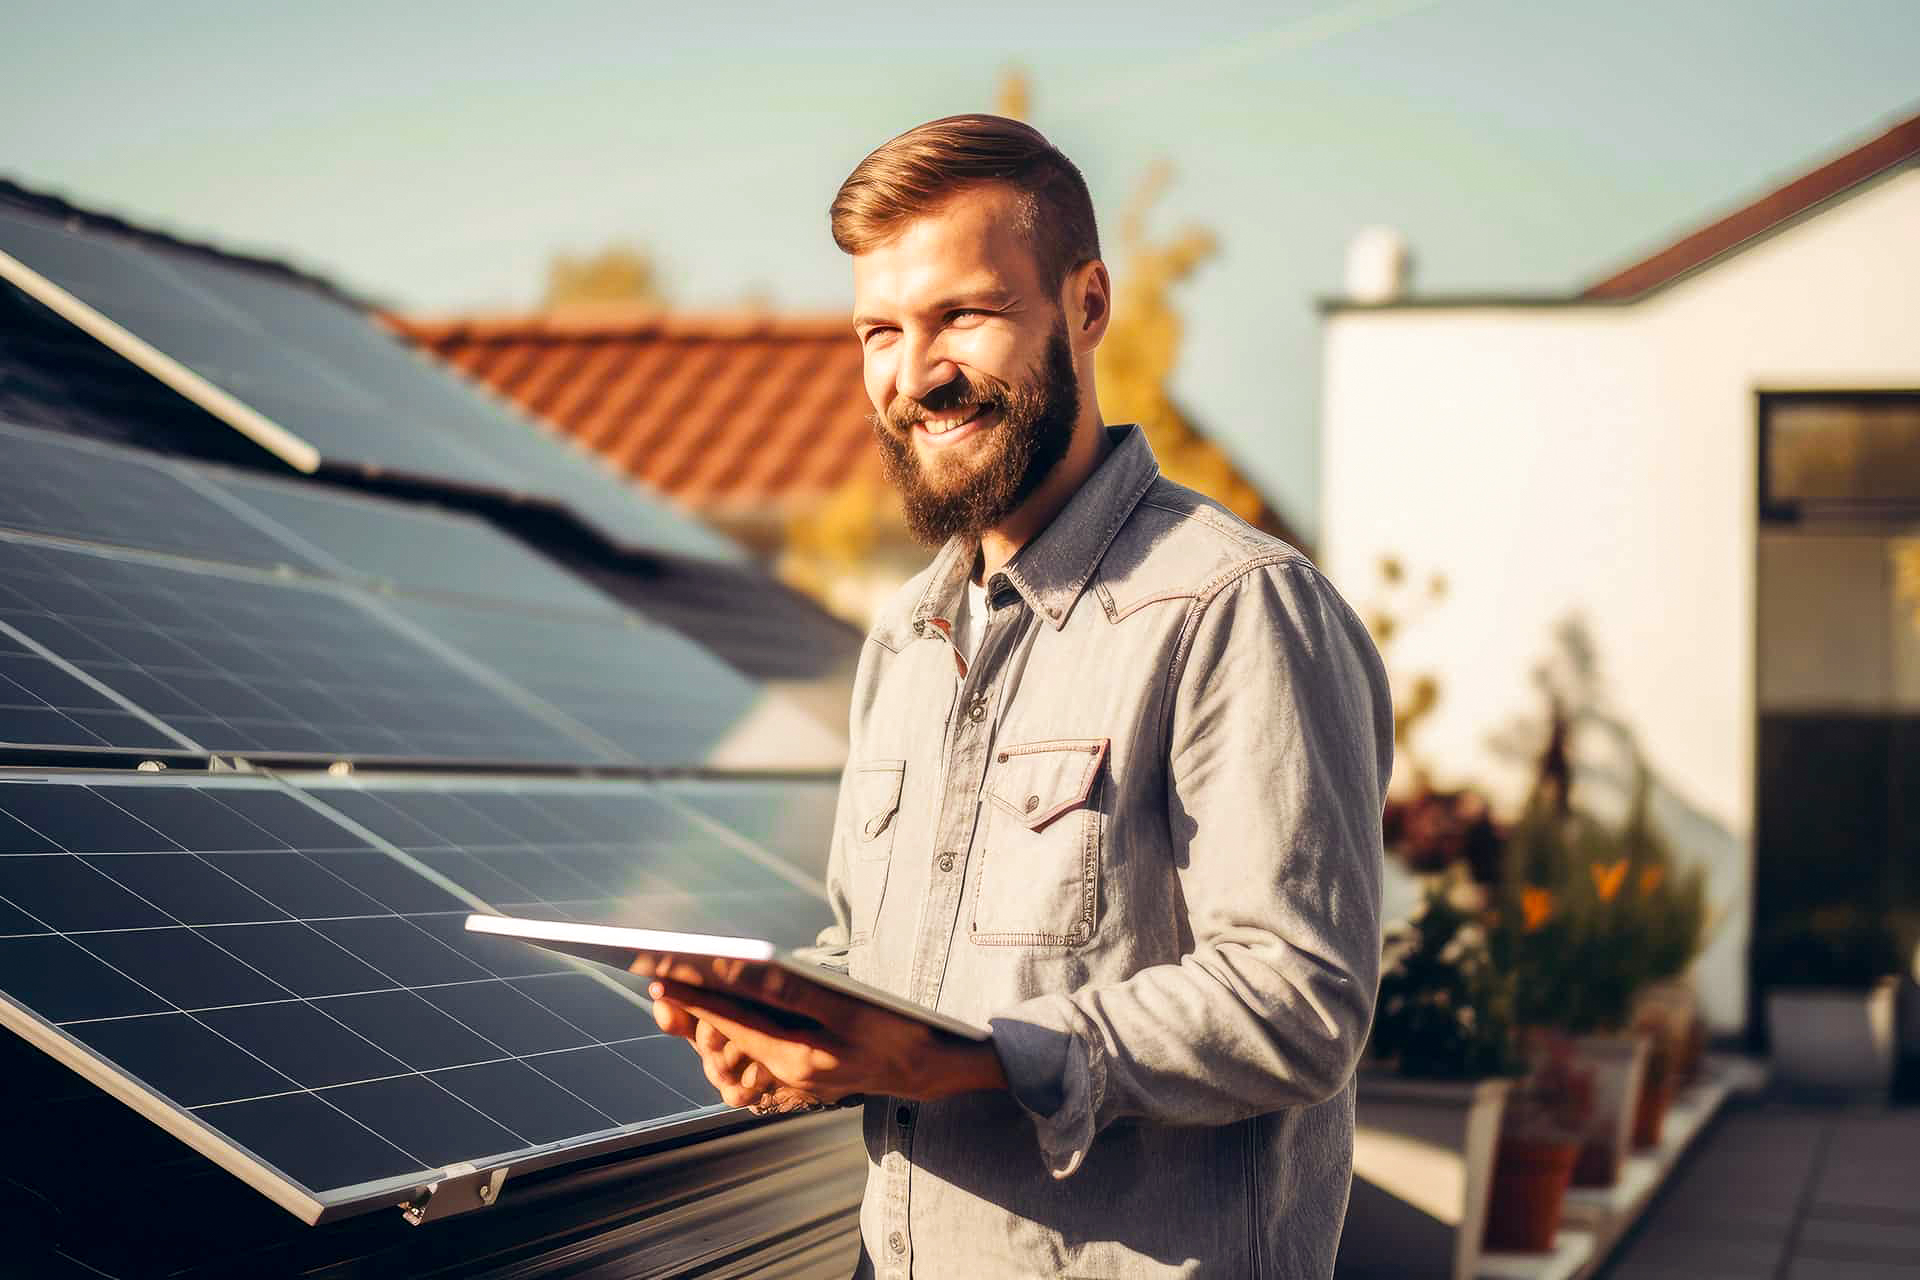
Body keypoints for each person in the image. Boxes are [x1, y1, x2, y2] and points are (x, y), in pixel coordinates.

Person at [645, 114, 1392, 1278]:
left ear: (1087, 305)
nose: (915, 373)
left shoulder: (1235, 606)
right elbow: (891, 956)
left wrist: (983, 1056)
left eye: (963, 315)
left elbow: (1300, 998)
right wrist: (795, 1025)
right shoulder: (903, 640)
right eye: (879, 330)